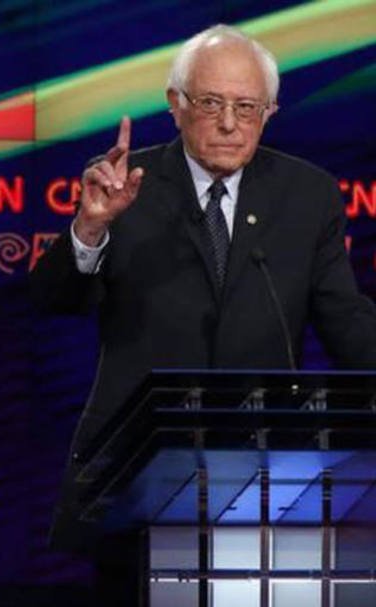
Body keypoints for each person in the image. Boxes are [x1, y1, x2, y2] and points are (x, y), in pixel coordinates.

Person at [32, 24, 376, 475]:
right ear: (176, 104)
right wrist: (90, 227)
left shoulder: (308, 195)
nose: (229, 123)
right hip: (137, 463)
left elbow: (346, 322)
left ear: (269, 112)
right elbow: (55, 299)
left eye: (247, 107)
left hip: (263, 464)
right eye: (211, 103)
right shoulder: (123, 185)